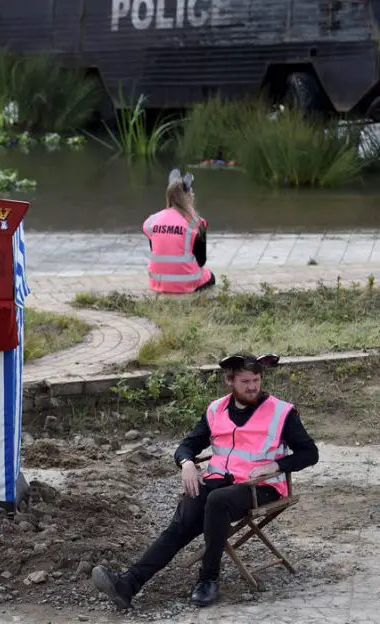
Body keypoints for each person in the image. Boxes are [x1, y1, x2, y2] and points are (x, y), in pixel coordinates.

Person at [91, 353, 319, 608]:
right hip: (220, 482)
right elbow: (187, 445)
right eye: (245, 381)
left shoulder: (281, 412)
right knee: (186, 518)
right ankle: (129, 583)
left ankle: (208, 579)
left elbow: (310, 453)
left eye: (256, 379)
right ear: (229, 381)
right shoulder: (216, 410)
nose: (253, 386)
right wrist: (187, 463)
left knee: (216, 501)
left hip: (261, 487)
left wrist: (275, 465)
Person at [143, 169, 215, 294]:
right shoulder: (196, 223)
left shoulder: (153, 221)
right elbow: (201, 260)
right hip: (186, 283)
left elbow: (156, 251)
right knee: (210, 276)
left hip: (157, 282)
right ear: (188, 196)